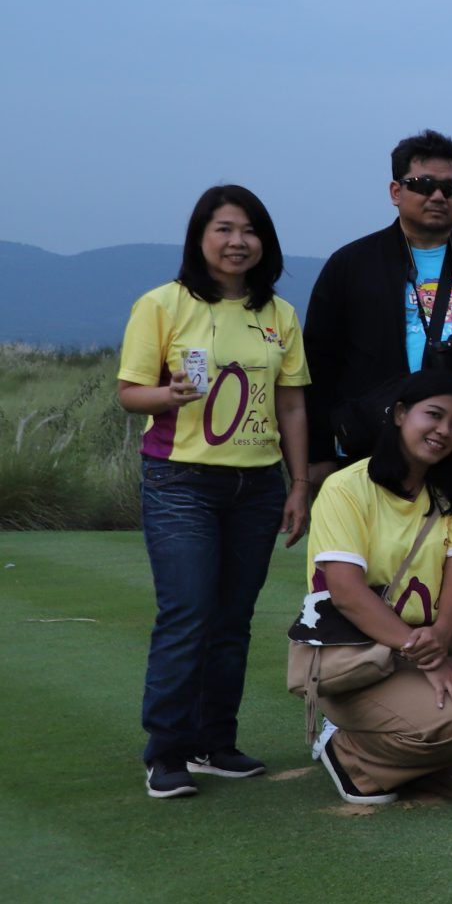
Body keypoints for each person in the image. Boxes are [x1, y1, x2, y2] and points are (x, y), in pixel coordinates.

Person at [302, 129, 452, 675]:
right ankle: (360, 700)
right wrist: (316, 458)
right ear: (395, 190)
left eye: (450, 188)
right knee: (378, 581)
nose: (437, 196)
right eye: (422, 184)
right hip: (377, 460)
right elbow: (316, 368)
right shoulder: (352, 265)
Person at [117, 186, 313, 797]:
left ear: (265, 242)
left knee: (232, 621)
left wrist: (299, 483)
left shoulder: (279, 314)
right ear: (200, 237)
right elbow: (130, 393)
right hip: (181, 480)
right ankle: (167, 751)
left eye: (249, 230)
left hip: (257, 485)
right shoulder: (162, 303)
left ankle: (213, 743)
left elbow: (291, 404)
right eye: (224, 229)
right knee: (188, 613)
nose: (237, 241)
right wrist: (168, 395)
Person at [294, 370, 452, 805]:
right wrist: (424, 655)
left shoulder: (451, 495)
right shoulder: (346, 487)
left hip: (429, 644)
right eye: (433, 415)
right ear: (400, 414)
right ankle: (349, 752)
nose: (444, 430)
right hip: (359, 652)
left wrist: (441, 637)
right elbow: (346, 592)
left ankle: (390, 753)